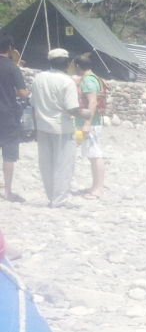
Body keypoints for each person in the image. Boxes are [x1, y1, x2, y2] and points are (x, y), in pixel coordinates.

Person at [30, 48, 85, 207]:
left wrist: (34, 127)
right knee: (63, 164)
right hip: (62, 128)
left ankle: (50, 197)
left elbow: (33, 105)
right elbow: (71, 109)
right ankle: (59, 200)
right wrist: (84, 114)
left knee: (46, 164)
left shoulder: (39, 78)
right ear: (68, 64)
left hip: (42, 126)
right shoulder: (67, 81)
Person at [0, 35, 28, 202]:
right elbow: (22, 93)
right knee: (9, 153)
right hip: (8, 114)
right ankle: (8, 191)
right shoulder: (12, 68)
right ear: (10, 49)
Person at [73, 55, 105, 198]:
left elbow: (92, 102)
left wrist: (87, 123)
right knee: (91, 155)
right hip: (91, 122)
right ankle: (95, 186)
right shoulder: (93, 78)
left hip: (90, 123)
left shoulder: (88, 81)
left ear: (78, 66)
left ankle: (99, 188)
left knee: (95, 155)